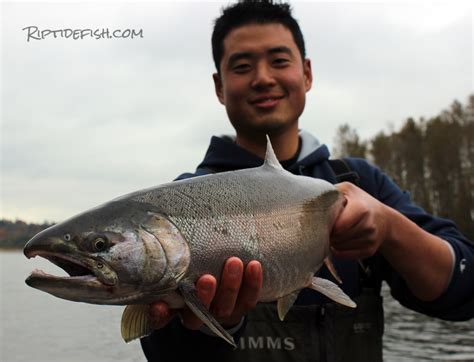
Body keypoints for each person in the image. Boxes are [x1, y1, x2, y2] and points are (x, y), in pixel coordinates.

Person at [140, 1, 474, 360]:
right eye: (242, 66)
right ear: (219, 87)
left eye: (279, 61)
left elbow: (463, 292)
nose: (264, 78)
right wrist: (212, 322)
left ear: (307, 73)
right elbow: (164, 352)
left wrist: (389, 227)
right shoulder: (178, 209)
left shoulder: (361, 183)